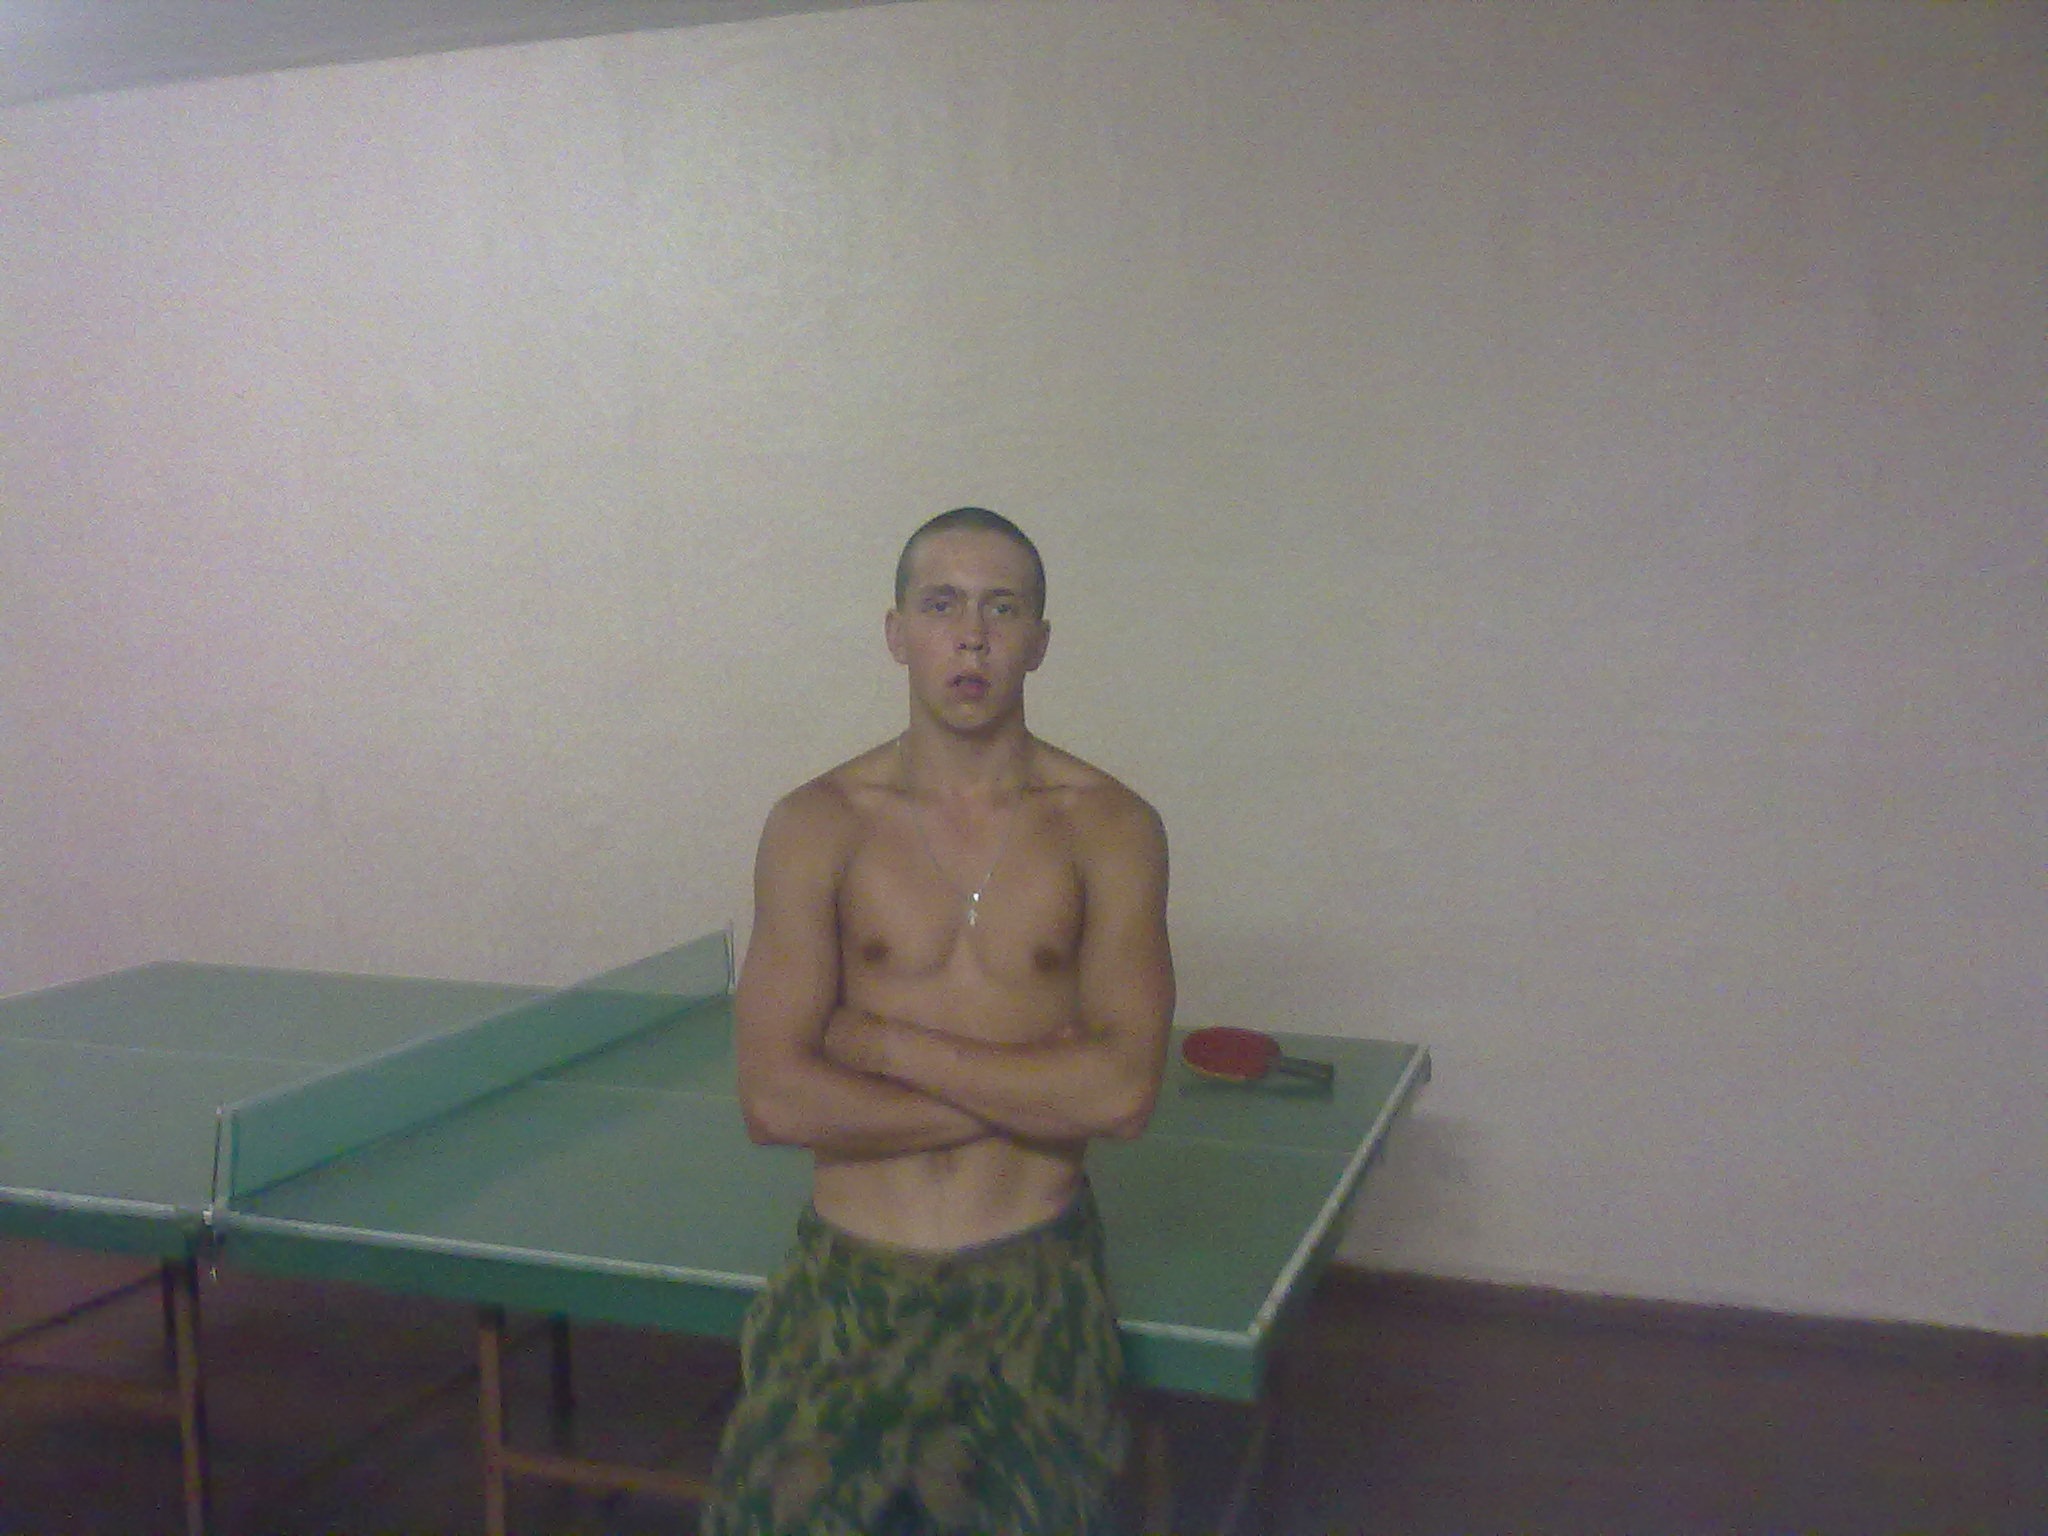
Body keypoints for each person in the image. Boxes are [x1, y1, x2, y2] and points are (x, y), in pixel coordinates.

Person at [702, 507, 1175, 1536]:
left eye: (1001, 609)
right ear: (896, 632)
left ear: (1038, 640)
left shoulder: (1111, 829)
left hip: (1033, 1289)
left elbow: (1122, 1097)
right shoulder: (816, 826)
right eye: (941, 605)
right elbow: (774, 1101)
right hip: (845, 1288)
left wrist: (883, 1045)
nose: (970, 636)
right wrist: (1035, 1089)